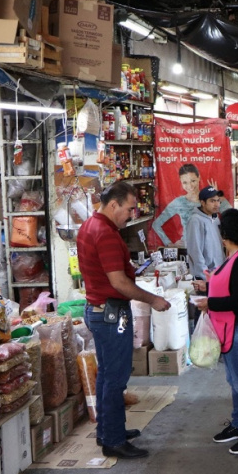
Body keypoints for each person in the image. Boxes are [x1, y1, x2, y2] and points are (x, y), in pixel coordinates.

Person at [78, 181, 171, 459]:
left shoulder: (91, 225)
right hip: (110, 313)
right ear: (113, 204)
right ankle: (114, 440)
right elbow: (118, 282)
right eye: (129, 209)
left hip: (99, 308)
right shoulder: (104, 233)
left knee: (107, 375)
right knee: (116, 377)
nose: (132, 214)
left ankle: (107, 431)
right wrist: (152, 299)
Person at [193, 210, 238, 455]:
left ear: (226, 235)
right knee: (234, 380)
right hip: (229, 328)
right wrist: (209, 285)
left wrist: (209, 303)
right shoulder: (237, 256)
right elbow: (230, 286)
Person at [152, 163, 231, 247]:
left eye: (193, 181)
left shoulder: (210, 198)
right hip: (188, 250)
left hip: (211, 247)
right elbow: (156, 224)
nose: (190, 186)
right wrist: (169, 244)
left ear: (199, 177)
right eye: (185, 182)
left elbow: (231, 215)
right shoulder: (179, 202)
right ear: (181, 182)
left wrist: (218, 197)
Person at [185, 186, 225, 281]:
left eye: (218, 200)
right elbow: (195, 252)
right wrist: (205, 276)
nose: (217, 204)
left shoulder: (215, 218)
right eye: (212, 201)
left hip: (217, 273)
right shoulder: (195, 220)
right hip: (205, 276)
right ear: (202, 203)